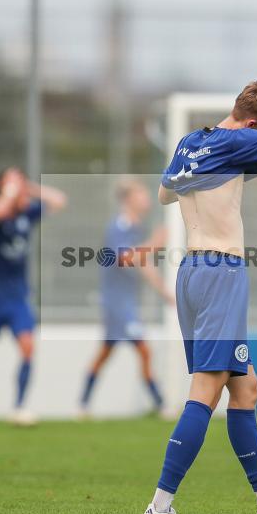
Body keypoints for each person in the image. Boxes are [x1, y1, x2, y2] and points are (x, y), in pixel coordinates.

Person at [142, 63, 257, 514]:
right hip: (222, 271)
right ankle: (159, 506)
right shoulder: (240, 140)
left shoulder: (193, 142)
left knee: (246, 390)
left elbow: (165, 194)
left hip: (191, 272)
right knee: (206, 389)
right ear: (252, 127)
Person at [0, 167, 67, 430]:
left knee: (28, 347)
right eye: (10, 180)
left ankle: (19, 407)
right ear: (0, 186)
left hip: (17, 296)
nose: (16, 184)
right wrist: (9, 192)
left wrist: (29, 188)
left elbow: (58, 200)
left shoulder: (25, 215)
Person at [79, 177, 174, 417]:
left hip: (126, 301)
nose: (146, 198)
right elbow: (124, 259)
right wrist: (155, 243)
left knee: (105, 353)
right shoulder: (118, 227)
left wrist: (165, 292)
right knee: (143, 350)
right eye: (141, 194)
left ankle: (82, 404)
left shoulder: (135, 227)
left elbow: (143, 264)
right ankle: (161, 404)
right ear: (128, 199)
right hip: (116, 302)